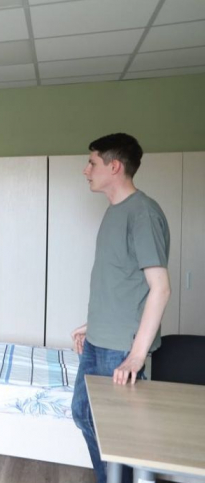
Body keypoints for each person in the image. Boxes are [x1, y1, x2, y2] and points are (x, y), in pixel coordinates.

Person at [70, 133, 171, 483]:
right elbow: (121, 282)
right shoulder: (114, 212)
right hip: (99, 340)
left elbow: (160, 288)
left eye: (92, 163)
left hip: (121, 349)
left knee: (118, 433)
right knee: (83, 413)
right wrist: (92, 323)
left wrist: (136, 356)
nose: (86, 170)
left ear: (114, 166)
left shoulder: (143, 213)